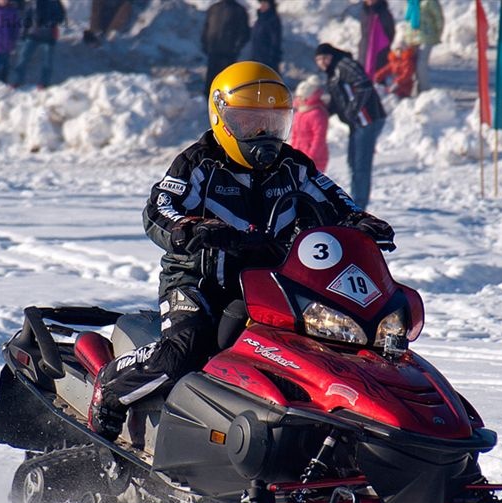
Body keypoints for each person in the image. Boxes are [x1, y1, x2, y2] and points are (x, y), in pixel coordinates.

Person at [88, 61, 395, 441]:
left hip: (272, 286)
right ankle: (112, 389)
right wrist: (191, 229)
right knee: (187, 348)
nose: (263, 133)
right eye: (250, 122)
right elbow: (160, 207)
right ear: (222, 119)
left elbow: (335, 199)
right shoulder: (198, 163)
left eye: (273, 122)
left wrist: (361, 223)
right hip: (197, 280)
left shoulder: (293, 167)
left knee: (319, 350)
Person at [315, 43, 387, 211]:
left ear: (332, 55)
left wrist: (351, 111)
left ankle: (359, 206)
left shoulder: (344, 64)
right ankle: (355, 202)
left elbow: (364, 85)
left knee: (361, 165)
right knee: (353, 162)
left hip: (367, 120)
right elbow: (337, 100)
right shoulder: (333, 72)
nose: (323, 62)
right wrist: (320, 110)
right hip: (357, 123)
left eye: (325, 58)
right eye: (319, 60)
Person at [200, 0, 250, 99]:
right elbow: (206, 27)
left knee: (227, 84)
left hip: (229, 54)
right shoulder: (214, 8)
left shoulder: (239, 10)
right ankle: (208, 105)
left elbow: (245, 33)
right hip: (213, 52)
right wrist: (205, 43)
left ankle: (227, 108)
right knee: (211, 82)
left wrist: (236, 47)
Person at [12, 0, 66, 89]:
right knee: (23, 57)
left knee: (47, 61)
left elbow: (61, 15)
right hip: (33, 34)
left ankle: (44, 83)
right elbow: (27, 17)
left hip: (49, 35)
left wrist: (52, 22)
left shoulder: (55, 2)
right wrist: (24, 32)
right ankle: (18, 80)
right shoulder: (33, 2)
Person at [291, 74, 330, 171]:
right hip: (299, 157)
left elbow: (319, 137)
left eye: (302, 98)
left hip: (315, 159)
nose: (298, 100)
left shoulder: (317, 113)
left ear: (308, 98)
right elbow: (295, 135)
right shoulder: (299, 114)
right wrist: (291, 152)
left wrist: (310, 156)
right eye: (298, 97)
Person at [404, 0, 443, 93]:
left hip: (427, 36)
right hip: (412, 38)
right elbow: (407, 21)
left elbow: (438, 18)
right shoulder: (410, 2)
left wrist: (438, 33)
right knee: (412, 64)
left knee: (421, 64)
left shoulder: (430, 2)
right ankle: (416, 89)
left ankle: (425, 90)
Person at [357, 0, 395, 80]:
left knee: (379, 77)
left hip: (380, 51)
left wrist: (383, 46)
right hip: (365, 49)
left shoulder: (384, 13)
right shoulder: (364, 12)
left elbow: (390, 32)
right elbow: (363, 32)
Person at [373, 32, 418, 99]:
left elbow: (407, 74)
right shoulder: (394, 61)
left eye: (401, 50)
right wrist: (376, 77)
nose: (399, 52)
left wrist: (398, 83)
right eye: (397, 50)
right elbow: (385, 70)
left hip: (404, 87)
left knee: (396, 96)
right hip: (394, 85)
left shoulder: (407, 62)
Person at [249, 0, 281, 72]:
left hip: (267, 61)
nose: (262, 5)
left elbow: (275, 41)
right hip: (256, 58)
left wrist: (272, 59)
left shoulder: (273, 20)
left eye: (265, 3)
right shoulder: (259, 20)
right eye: (261, 3)